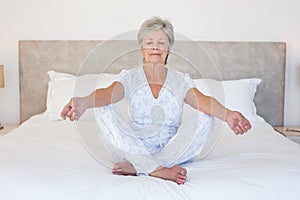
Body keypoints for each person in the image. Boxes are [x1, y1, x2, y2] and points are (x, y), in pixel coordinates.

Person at [60, 17, 251, 185]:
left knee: (206, 114)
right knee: (103, 106)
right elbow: (108, 93)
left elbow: (203, 100)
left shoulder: (180, 79)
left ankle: (141, 167)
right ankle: (157, 169)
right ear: (141, 48)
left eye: (161, 42)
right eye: (149, 42)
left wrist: (229, 115)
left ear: (169, 49)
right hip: (133, 147)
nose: (155, 47)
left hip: (172, 148)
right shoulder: (130, 77)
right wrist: (83, 101)